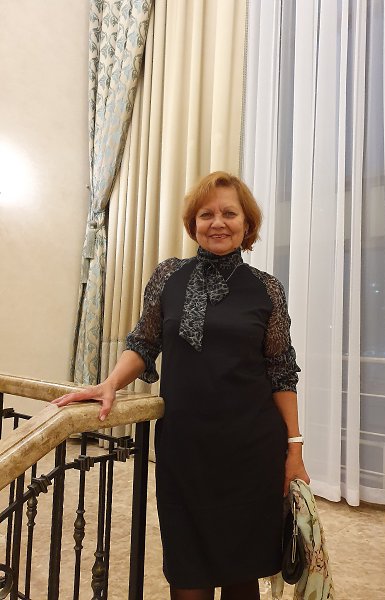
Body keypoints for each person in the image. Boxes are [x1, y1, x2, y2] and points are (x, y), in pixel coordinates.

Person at [53, 171, 310, 600]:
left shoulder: (267, 289)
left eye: (229, 213)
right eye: (206, 214)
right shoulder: (169, 276)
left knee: (243, 576)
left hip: (251, 452)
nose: (217, 222)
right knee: (187, 574)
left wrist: (294, 449)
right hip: (185, 451)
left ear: (247, 223)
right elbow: (143, 342)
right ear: (193, 224)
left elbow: (282, 372)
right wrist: (110, 383)